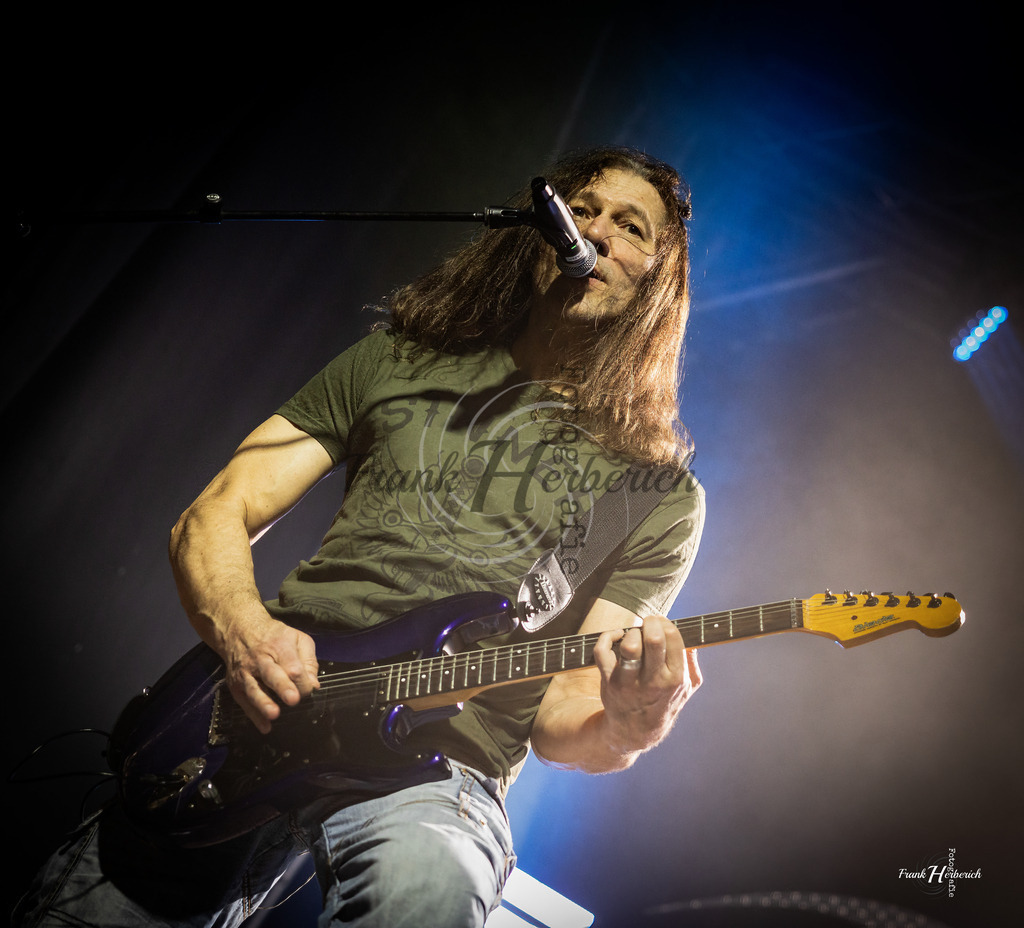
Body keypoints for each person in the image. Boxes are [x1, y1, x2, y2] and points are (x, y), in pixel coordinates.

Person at [14, 146, 705, 927]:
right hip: (260, 702)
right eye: (580, 209)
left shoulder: (652, 493)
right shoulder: (402, 359)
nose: (595, 232)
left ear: (660, 279)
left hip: (438, 769)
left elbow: (562, 717)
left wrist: (633, 722)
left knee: (429, 886)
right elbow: (216, 512)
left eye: (630, 226)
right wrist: (245, 634)